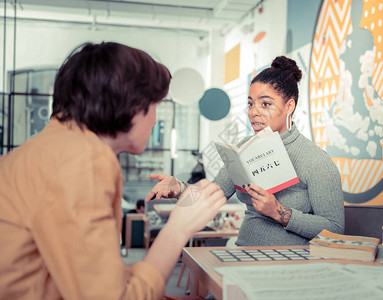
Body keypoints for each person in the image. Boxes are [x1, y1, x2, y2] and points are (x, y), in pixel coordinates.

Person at [0, 42, 226, 299]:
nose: (154, 119)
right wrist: (179, 227)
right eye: (155, 105)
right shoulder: (81, 160)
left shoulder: (55, 148)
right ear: (131, 105)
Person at [147, 56, 344, 246]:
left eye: (265, 104)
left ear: (289, 106)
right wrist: (179, 188)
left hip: (286, 263)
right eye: (250, 103)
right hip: (243, 252)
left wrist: (279, 212)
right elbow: (214, 194)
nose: (253, 112)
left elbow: (334, 229)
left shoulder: (316, 160)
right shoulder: (244, 147)